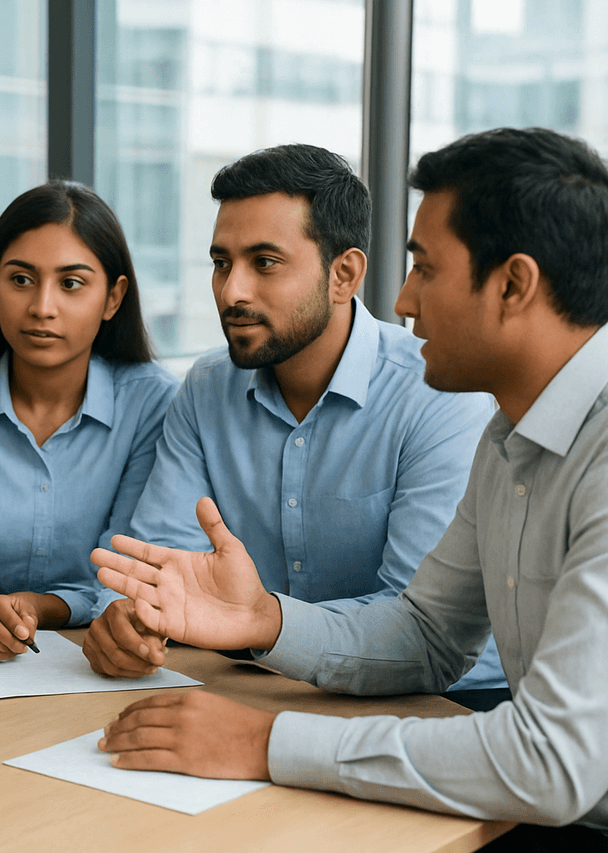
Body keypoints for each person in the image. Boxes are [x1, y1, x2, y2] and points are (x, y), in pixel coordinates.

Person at [96, 128, 608, 851]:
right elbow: (428, 634)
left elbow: (549, 761)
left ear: (512, 284)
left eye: (425, 268)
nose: (404, 299)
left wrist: (269, 740)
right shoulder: (510, 435)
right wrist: (265, 620)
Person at [81, 143, 505, 700]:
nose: (232, 291)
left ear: (343, 275)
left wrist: (260, 621)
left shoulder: (439, 397)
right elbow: (157, 565)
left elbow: (416, 622)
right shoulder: (207, 388)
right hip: (252, 685)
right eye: (221, 263)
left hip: (441, 702)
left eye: (265, 263)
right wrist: (129, 619)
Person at [0, 180, 178, 661]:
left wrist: (35, 607)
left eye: (71, 284)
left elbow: (123, 575)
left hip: (89, 659)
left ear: (113, 298)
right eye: (21, 279)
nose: (41, 307)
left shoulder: (152, 404)